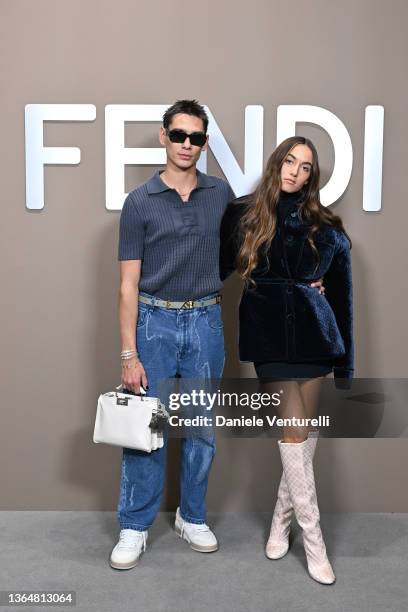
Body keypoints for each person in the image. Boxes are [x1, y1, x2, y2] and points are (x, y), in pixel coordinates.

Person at [219, 136, 353, 585]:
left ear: (312, 177)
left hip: (315, 339)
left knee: (302, 438)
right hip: (269, 337)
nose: (295, 171)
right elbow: (217, 266)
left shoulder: (326, 225)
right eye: (290, 161)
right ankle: (315, 544)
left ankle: (281, 522)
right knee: (295, 433)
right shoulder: (243, 213)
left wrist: (345, 362)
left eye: (306, 167)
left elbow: (343, 296)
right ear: (277, 163)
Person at [110, 99, 235, 570]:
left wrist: (311, 276)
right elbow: (126, 284)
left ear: (204, 143)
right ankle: (135, 525)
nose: (187, 144)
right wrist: (128, 352)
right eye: (179, 135)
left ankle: (192, 516)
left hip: (205, 322)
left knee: (201, 429)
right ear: (163, 136)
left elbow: (260, 241)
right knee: (148, 429)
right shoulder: (139, 202)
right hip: (154, 322)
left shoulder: (220, 195)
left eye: (196, 137)